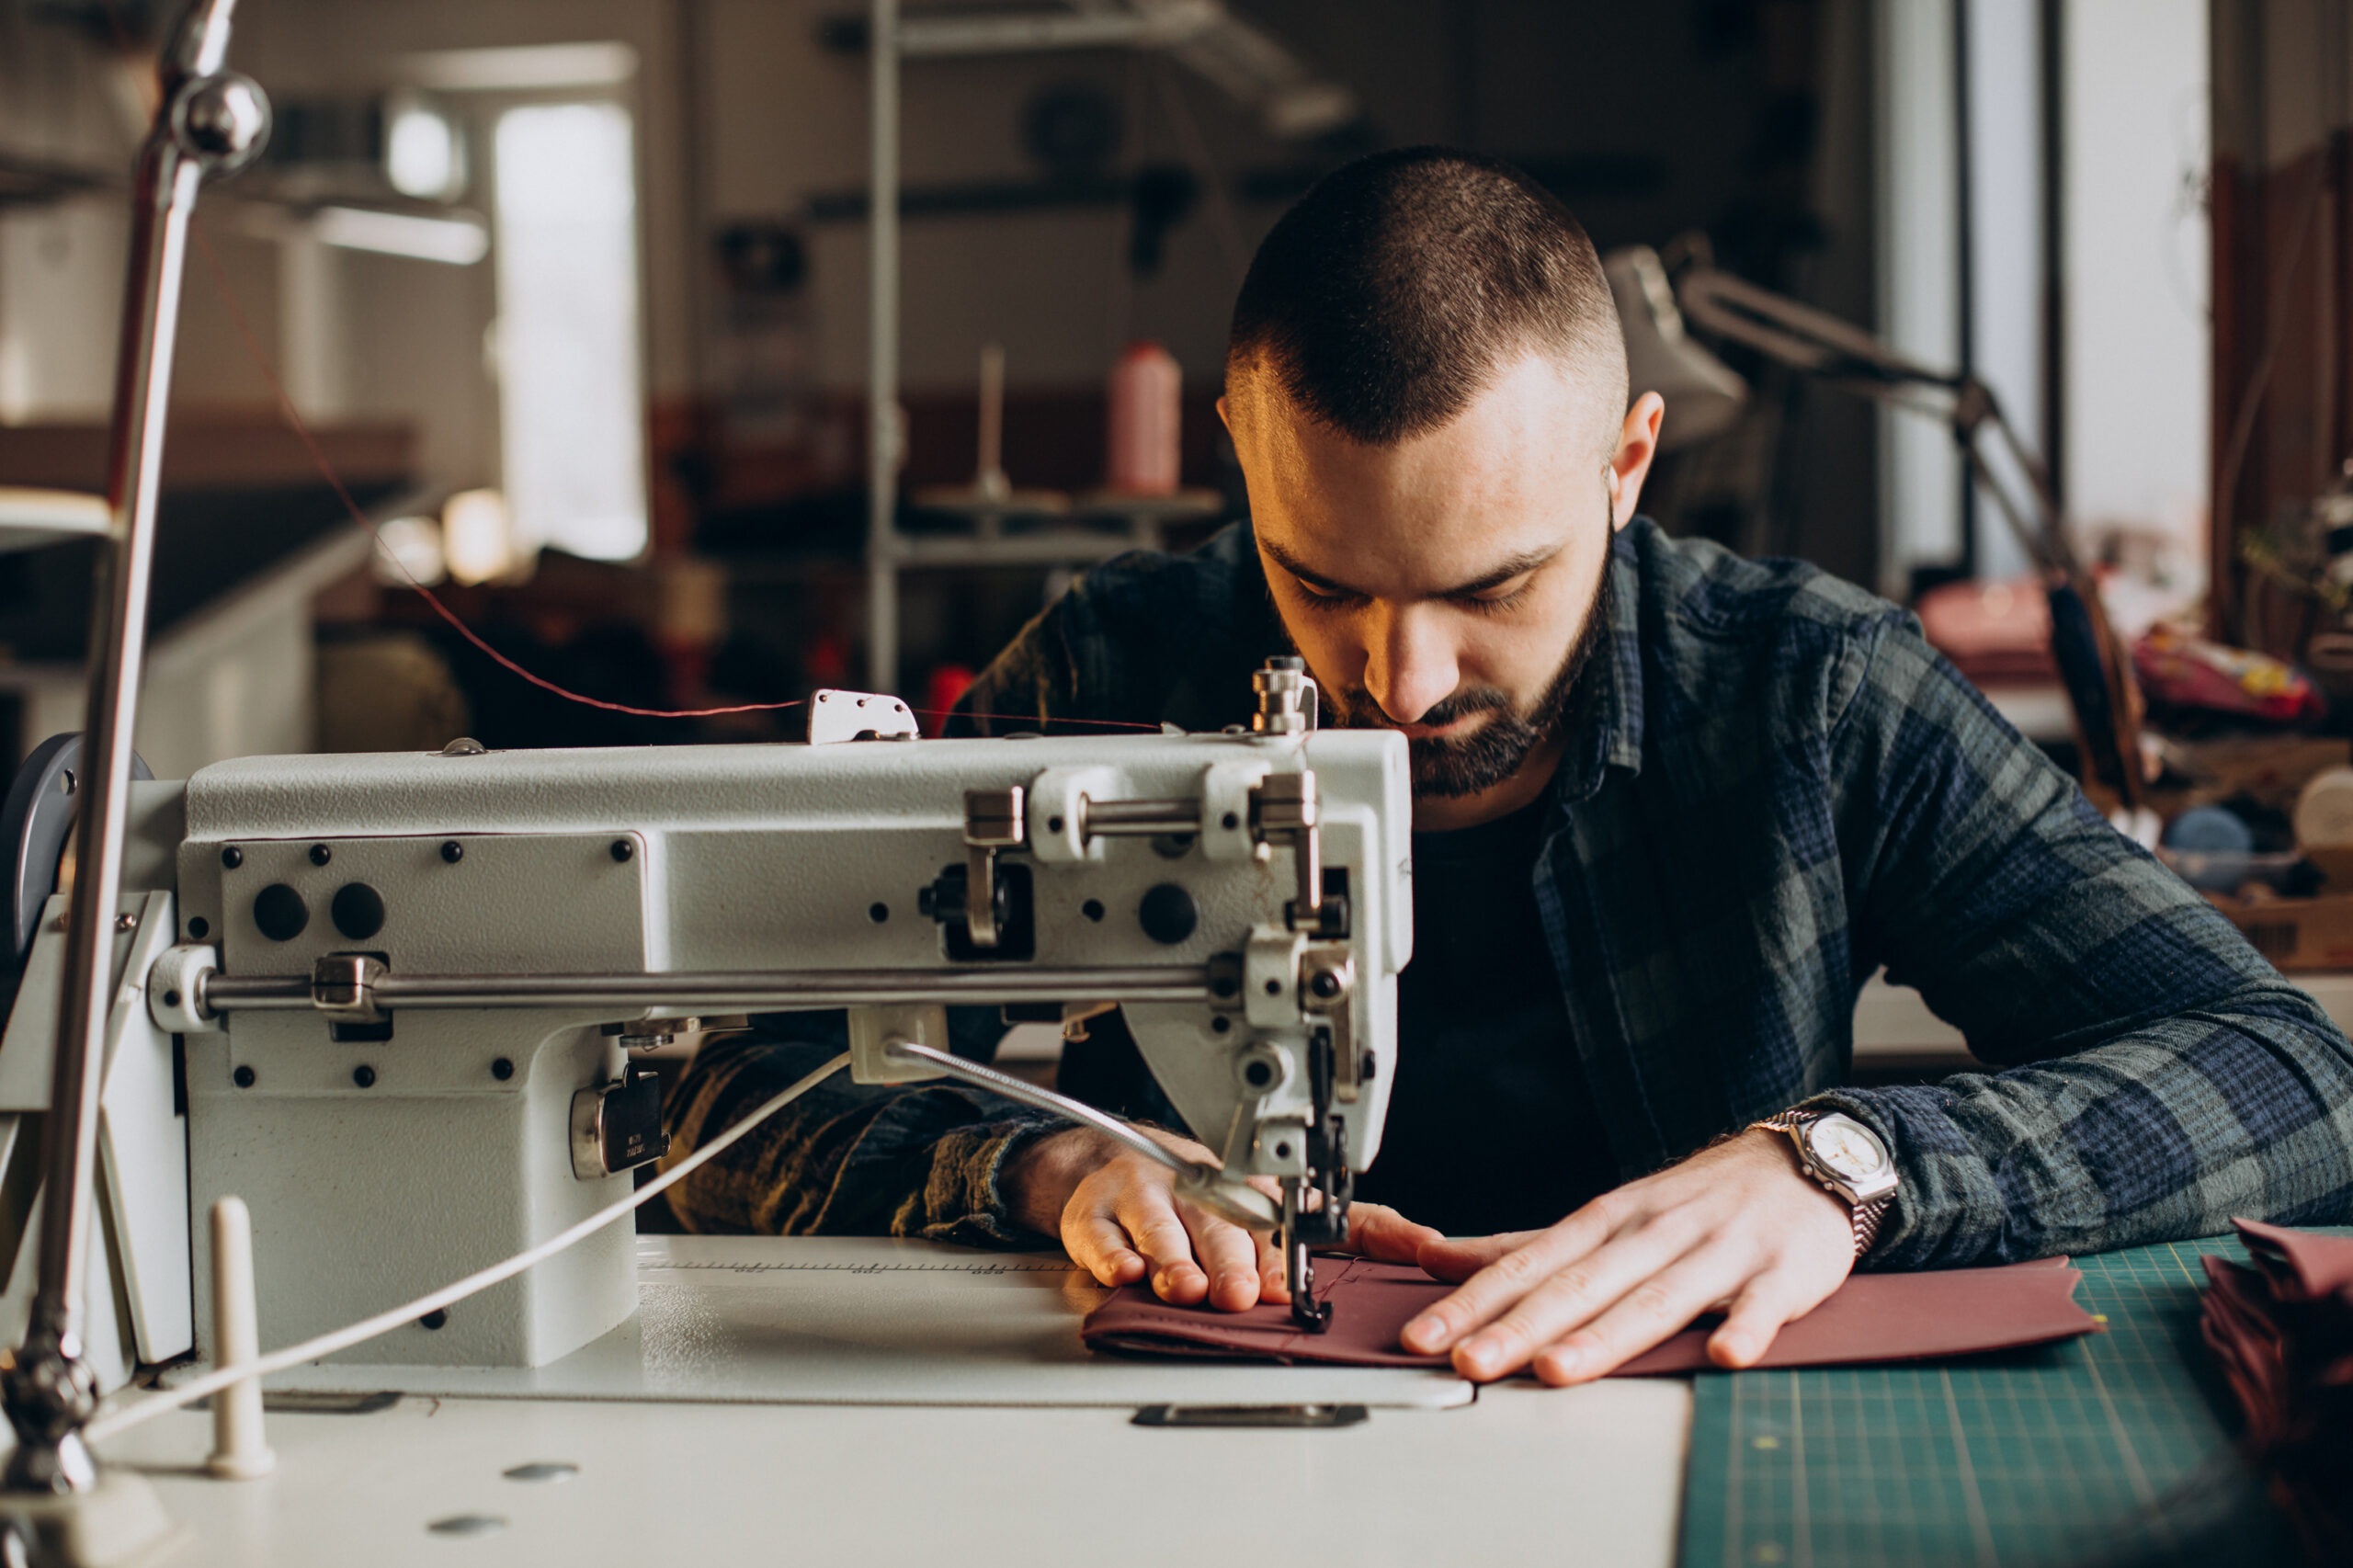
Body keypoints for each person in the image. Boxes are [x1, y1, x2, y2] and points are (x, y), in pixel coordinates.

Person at [665, 147, 2353, 1386]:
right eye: (1320, 580)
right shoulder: (1116, 666)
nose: (1398, 683)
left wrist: (1846, 1166)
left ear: (1628, 468)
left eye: (1491, 589)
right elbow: (725, 1089)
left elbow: (2294, 1070)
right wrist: (1036, 1164)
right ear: (1240, 457)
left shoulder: (1814, 697)